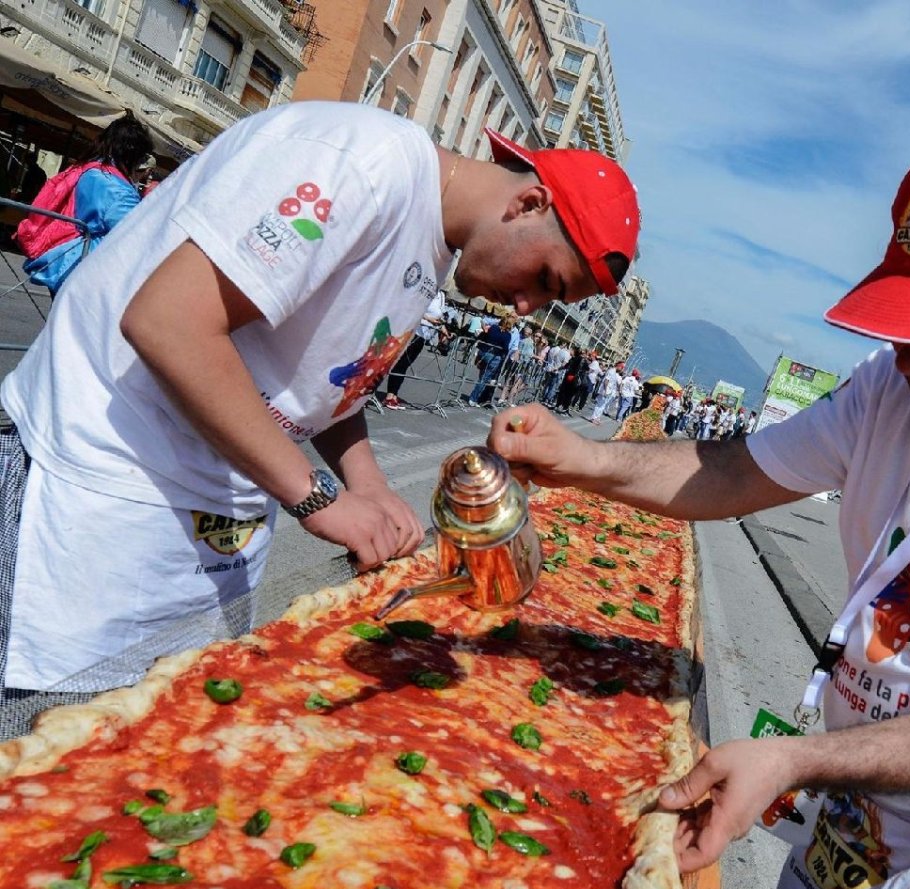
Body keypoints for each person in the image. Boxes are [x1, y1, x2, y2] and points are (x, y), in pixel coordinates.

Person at [0, 102, 640, 697]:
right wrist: (317, 498)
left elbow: (329, 374)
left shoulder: (435, 239)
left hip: (217, 516)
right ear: (528, 202)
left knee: (166, 745)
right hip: (101, 490)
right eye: (545, 280)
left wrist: (368, 484)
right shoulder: (362, 167)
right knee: (41, 763)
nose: (529, 306)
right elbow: (169, 322)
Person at [487, 143, 910, 889]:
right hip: (846, 813)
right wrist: (580, 460)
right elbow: (734, 472)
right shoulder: (885, 387)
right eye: (905, 326)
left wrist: (796, 760)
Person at [22, 114, 154, 295]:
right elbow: (135, 236)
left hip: (64, 256)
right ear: (133, 154)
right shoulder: (117, 189)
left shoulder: (87, 169)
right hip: (90, 272)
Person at [383, 289, 448, 409]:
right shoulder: (426, 288)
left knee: (404, 366)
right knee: (398, 364)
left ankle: (393, 396)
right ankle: (389, 396)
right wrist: (428, 319)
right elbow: (412, 306)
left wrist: (443, 329)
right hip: (412, 332)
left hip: (423, 336)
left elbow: (439, 316)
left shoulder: (441, 295)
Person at [468, 314, 514, 406]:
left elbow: (486, 336)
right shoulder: (507, 335)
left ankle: (475, 397)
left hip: (484, 353)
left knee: (482, 377)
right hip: (494, 356)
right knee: (484, 379)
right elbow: (505, 348)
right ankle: (473, 398)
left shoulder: (493, 328)